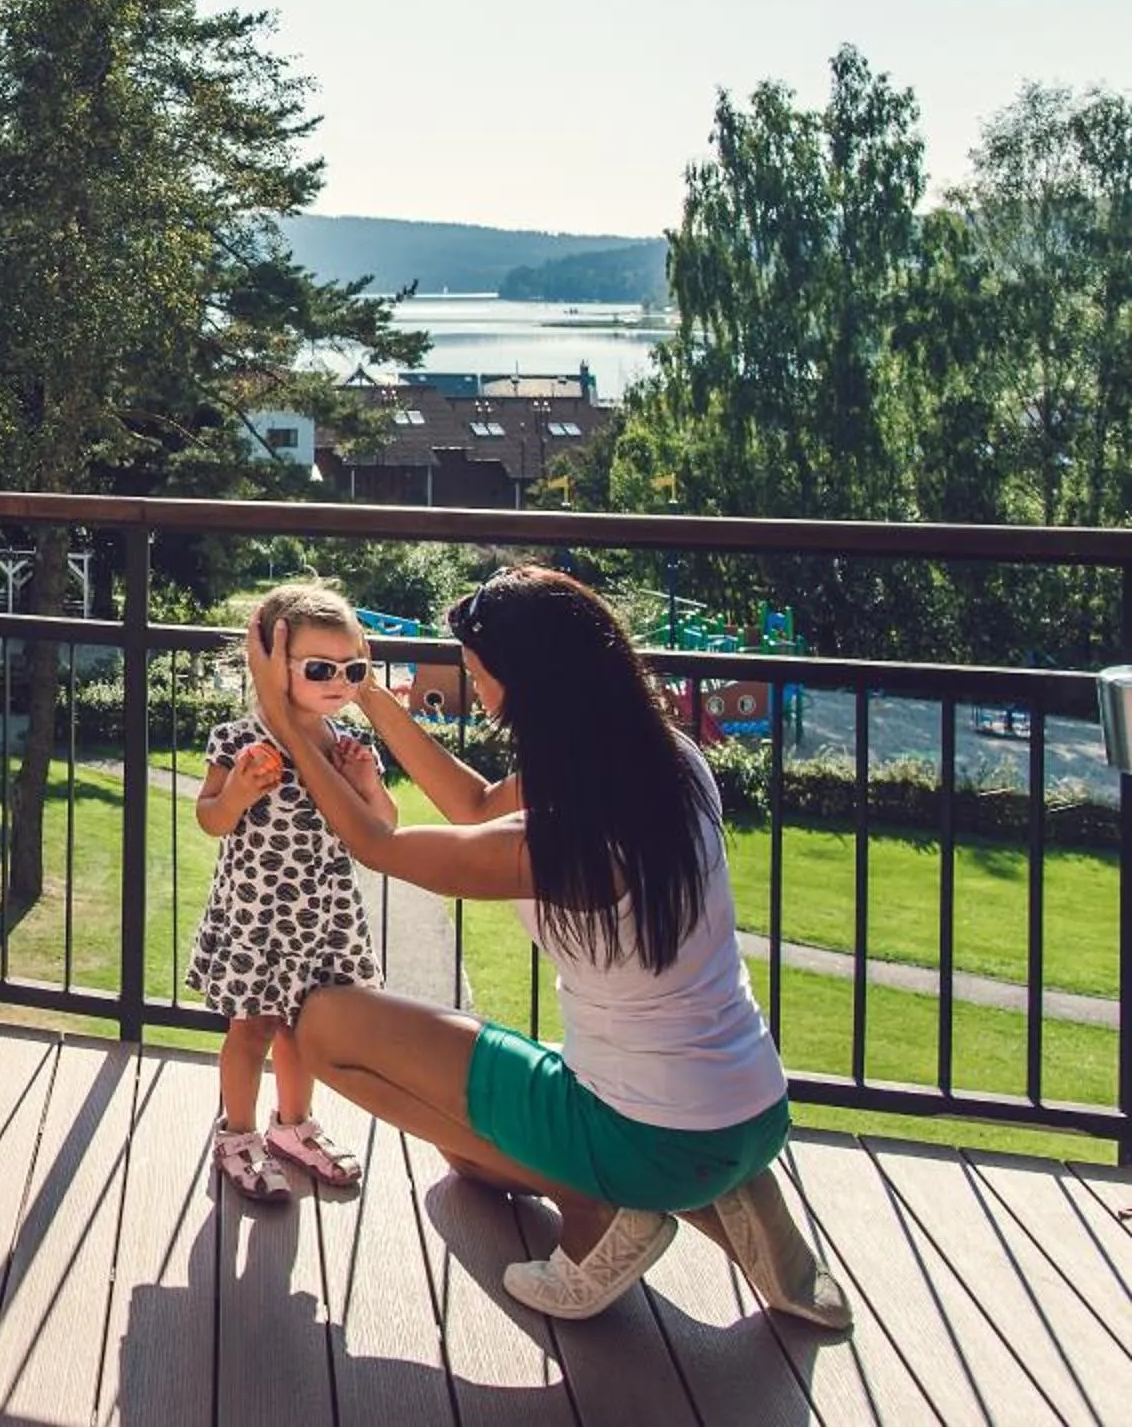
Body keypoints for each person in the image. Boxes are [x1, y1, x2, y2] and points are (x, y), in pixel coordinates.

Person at [249, 565, 850, 1328]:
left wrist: (284, 717)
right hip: (750, 1110)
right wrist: (366, 693)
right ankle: (728, 1193)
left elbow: (377, 843)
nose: (476, 687)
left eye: (478, 674)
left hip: (646, 1133)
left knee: (324, 1024)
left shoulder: (567, 846)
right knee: (466, 1159)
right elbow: (471, 803)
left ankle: (604, 1209)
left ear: (524, 686)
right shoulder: (667, 759)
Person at [187, 584, 395, 1201]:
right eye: (319, 668)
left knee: (306, 1028)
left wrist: (365, 782)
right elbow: (210, 819)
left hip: (324, 913)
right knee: (252, 1029)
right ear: (276, 666)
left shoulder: (347, 747)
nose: (339, 681)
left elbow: (383, 829)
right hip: (260, 915)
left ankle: (293, 1126)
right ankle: (237, 1133)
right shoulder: (239, 740)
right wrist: (239, 794)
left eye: (352, 669)